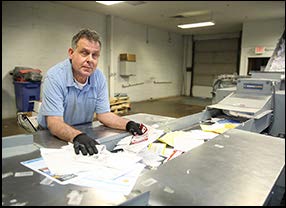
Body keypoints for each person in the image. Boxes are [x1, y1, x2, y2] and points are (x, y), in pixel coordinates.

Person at [37, 28, 143, 156]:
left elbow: (104, 115)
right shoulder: (55, 77)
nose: (90, 60)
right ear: (71, 53)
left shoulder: (98, 77)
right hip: (52, 135)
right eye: (84, 53)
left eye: (95, 55)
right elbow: (54, 122)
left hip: (82, 132)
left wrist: (128, 124)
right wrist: (77, 136)